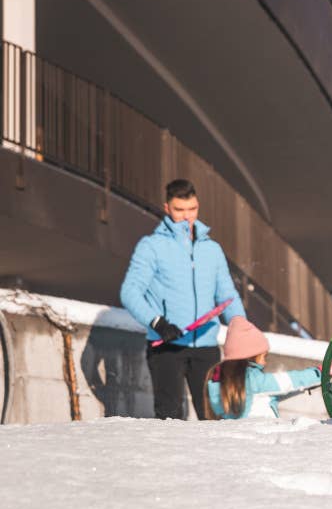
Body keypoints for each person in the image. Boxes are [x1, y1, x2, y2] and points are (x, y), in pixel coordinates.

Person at [120, 178, 246, 420]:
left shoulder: (212, 249)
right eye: (180, 210)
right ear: (167, 208)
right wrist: (157, 323)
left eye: (192, 209)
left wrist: (241, 327)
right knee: (170, 421)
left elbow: (228, 296)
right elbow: (130, 291)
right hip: (168, 346)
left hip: (206, 347)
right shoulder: (152, 247)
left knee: (216, 419)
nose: (187, 216)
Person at [205, 317, 321, 419]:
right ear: (252, 356)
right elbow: (288, 381)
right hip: (263, 436)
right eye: (263, 357)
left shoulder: (217, 378)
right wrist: (319, 373)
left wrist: (306, 387)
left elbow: (270, 393)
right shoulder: (253, 379)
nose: (265, 363)